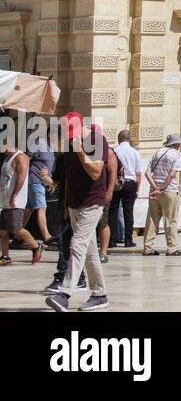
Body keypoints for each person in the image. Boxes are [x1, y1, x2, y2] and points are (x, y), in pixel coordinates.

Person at [45, 122, 114, 312]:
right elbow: (64, 180)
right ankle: (100, 295)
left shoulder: (97, 140)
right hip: (74, 205)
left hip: (92, 203)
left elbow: (96, 172)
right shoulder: (67, 148)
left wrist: (80, 151)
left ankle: (64, 294)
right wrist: (52, 185)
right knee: (90, 253)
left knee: (77, 245)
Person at [0, 137, 41, 265]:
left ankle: (36, 246)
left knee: (16, 228)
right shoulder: (7, 159)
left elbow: (21, 178)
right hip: (3, 200)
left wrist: (14, 196)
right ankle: (5, 257)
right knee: (2, 230)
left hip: (15, 201)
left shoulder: (21, 157)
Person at [142, 134, 181, 256]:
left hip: (154, 191)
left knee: (152, 220)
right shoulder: (176, 155)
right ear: (176, 144)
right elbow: (171, 175)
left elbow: (147, 173)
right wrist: (162, 188)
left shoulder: (157, 152)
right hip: (169, 191)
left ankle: (148, 248)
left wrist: (155, 187)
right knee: (170, 220)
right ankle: (172, 248)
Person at [106, 130, 141, 249]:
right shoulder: (135, 152)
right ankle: (128, 240)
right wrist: (137, 189)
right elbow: (138, 173)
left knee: (112, 212)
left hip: (116, 183)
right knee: (128, 212)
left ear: (119, 138)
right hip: (130, 183)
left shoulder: (114, 150)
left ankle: (111, 239)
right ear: (129, 139)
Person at [24, 135, 55, 248]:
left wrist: (51, 182)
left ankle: (18, 235)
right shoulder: (39, 142)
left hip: (44, 182)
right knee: (42, 208)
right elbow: (26, 159)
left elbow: (48, 166)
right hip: (35, 180)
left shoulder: (52, 146)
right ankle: (46, 237)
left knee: (28, 210)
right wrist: (23, 177)